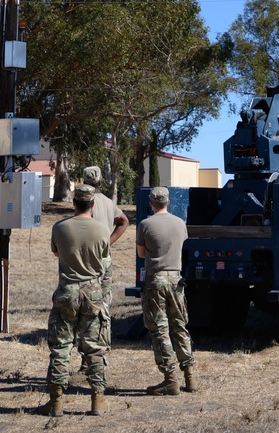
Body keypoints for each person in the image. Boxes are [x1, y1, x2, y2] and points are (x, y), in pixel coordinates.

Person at [44, 183, 111, 417]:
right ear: (92, 204)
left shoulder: (59, 227)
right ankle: (97, 400)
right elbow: (104, 259)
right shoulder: (103, 230)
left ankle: (56, 402)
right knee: (94, 347)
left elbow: (56, 253)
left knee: (61, 347)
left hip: (67, 290)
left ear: (74, 203)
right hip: (93, 291)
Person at [136, 186, 195, 396]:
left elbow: (141, 253)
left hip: (156, 280)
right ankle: (189, 376)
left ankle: (170, 379)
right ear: (168, 202)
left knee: (160, 330)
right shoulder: (180, 223)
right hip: (176, 279)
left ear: (151, 203)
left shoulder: (145, 224)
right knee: (180, 326)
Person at [81, 165, 129, 315]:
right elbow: (124, 221)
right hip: (105, 257)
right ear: (100, 182)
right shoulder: (109, 202)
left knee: (87, 299)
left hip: (88, 257)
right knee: (104, 299)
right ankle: (104, 332)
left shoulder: (85, 203)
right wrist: (108, 241)